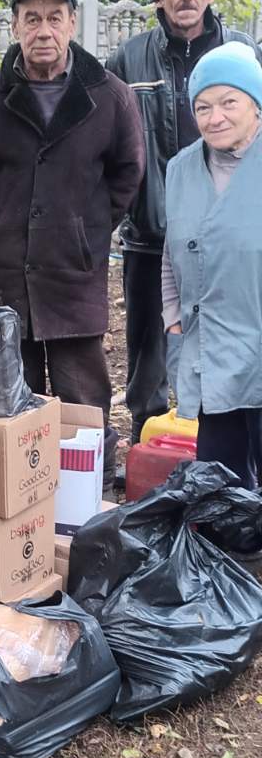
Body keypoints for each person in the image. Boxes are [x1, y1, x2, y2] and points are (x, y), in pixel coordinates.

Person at [0, 0, 145, 486]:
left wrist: (89, 228)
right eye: (31, 19)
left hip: (74, 273)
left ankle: (93, 492)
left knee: (84, 392)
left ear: (72, 23)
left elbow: (128, 171)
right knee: (15, 393)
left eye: (54, 18)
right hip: (7, 274)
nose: (43, 30)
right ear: (14, 26)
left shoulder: (110, 97)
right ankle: (21, 494)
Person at [107, 0, 262, 442]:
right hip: (151, 234)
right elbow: (103, 141)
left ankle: (220, 443)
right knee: (148, 349)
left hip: (234, 240)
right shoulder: (129, 60)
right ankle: (146, 441)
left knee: (236, 345)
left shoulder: (242, 52)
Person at [163, 43, 262, 487]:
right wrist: (172, 322)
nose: (214, 117)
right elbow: (171, 252)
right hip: (209, 349)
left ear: (255, 105)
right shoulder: (182, 169)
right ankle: (228, 552)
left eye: (229, 102)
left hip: (257, 338)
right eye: (202, 106)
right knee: (219, 483)